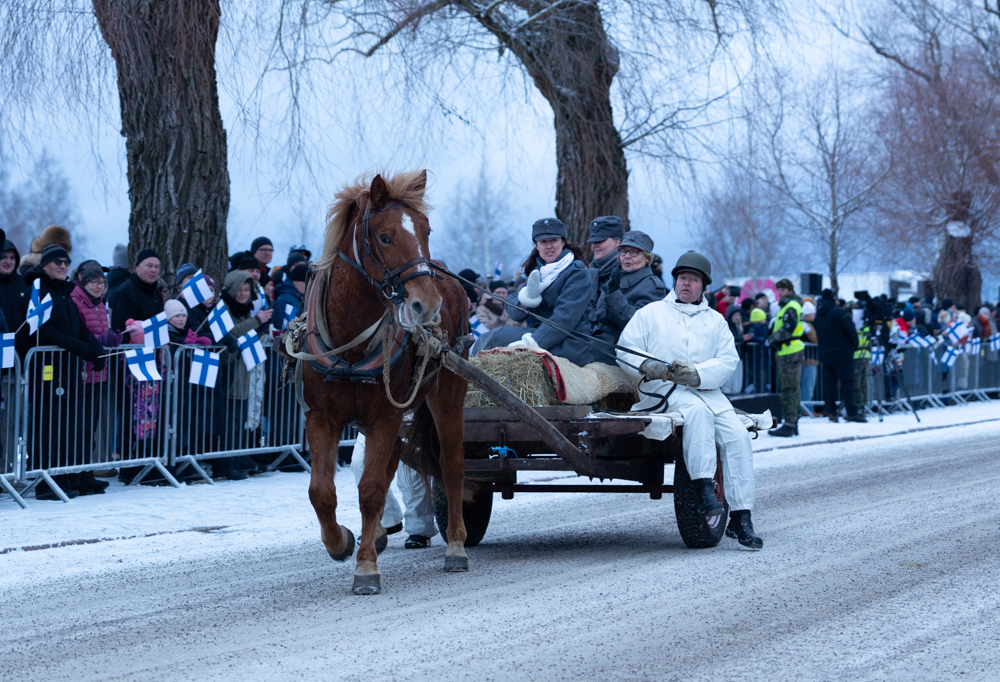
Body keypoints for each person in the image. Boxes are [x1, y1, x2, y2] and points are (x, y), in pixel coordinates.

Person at [616, 250, 762, 549]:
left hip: (708, 392)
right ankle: (705, 491)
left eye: (693, 280)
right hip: (664, 391)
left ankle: (741, 518)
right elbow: (625, 349)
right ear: (675, 281)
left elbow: (727, 360)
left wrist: (697, 374)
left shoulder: (716, 321)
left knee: (737, 437)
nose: (686, 284)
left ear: (702, 286)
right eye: (682, 278)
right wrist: (647, 366)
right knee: (696, 413)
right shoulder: (651, 313)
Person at [18, 244, 106, 500]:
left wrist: (95, 349)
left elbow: (79, 327)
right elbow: (42, 331)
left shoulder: (65, 294)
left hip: (68, 371)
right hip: (46, 371)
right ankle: (47, 482)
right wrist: (82, 349)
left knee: (69, 426)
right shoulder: (38, 289)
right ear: (44, 265)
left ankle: (67, 476)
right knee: (49, 426)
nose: (62, 266)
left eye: (66, 262)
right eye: (56, 262)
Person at [475, 218, 595, 366]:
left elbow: (564, 318)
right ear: (536, 245)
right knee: (485, 339)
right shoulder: (538, 272)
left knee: (494, 338)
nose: (549, 246)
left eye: (554, 240)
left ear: (563, 242)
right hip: (540, 336)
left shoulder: (577, 272)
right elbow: (515, 314)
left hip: (569, 343)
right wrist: (526, 299)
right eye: (543, 242)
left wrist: (532, 343)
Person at [70, 261, 122, 488]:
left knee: (90, 426)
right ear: (83, 280)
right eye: (94, 281)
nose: (99, 286)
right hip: (80, 372)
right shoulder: (75, 301)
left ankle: (86, 473)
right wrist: (98, 345)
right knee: (78, 427)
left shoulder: (100, 304)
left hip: (98, 372)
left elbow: (100, 332)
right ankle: (74, 473)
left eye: (102, 282)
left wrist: (111, 339)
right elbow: (80, 333)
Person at [218, 270, 274, 479]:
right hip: (231, 373)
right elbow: (230, 333)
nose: (243, 293)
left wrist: (260, 328)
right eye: (240, 289)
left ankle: (239, 457)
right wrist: (257, 321)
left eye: (247, 289)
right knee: (231, 421)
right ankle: (228, 462)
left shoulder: (245, 310)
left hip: (244, 373)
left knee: (239, 420)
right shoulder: (224, 308)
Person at [589, 230, 666, 364]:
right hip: (597, 338)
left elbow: (636, 326)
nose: (627, 256)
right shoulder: (615, 277)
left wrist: (614, 295)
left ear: (647, 258)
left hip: (623, 349)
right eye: (624, 251)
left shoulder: (653, 287)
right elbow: (598, 315)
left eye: (634, 252)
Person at [351, 433, 436, 548]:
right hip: (371, 417)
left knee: (411, 469)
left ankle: (419, 528)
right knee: (360, 463)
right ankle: (388, 519)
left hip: (407, 416)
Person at [814, 289, 863, 422]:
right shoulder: (839, 312)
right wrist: (855, 345)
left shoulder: (819, 314)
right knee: (848, 383)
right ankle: (851, 412)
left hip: (825, 353)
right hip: (842, 353)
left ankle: (831, 412)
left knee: (829, 384)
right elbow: (851, 330)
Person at [767, 279, 805, 437]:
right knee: (792, 389)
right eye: (779, 290)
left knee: (788, 389)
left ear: (790, 290)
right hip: (788, 351)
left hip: (790, 351)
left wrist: (771, 338)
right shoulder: (789, 306)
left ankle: (789, 424)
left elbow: (788, 329)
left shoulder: (791, 307)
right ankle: (793, 422)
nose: (780, 293)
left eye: (783, 290)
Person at [111, 248, 163, 342]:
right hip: (135, 351)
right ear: (138, 267)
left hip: (155, 348)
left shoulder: (156, 292)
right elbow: (119, 328)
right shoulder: (125, 292)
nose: (153, 270)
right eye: (149, 266)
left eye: (157, 267)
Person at [587, 216, 625, 302]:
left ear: (617, 242)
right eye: (593, 242)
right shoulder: (588, 273)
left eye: (600, 240)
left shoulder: (626, 271)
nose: (594, 245)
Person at [272, 260, 307, 331]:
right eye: (305, 282)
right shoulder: (285, 300)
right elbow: (283, 330)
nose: (308, 286)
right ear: (295, 281)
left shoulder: (298, 297)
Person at [0, 240, 27, 332]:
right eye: (3, 257)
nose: (8, 262)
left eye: (12, 258)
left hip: (25, 344)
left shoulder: (24, 282)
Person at [799, 300, 819, 408]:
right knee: (808, 385)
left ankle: (805, 408)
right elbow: (815, 340)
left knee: (805, 384)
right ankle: (807, 408)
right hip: (810, 359)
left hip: (804, 358)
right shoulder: (807, 325)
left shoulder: (802, 324)